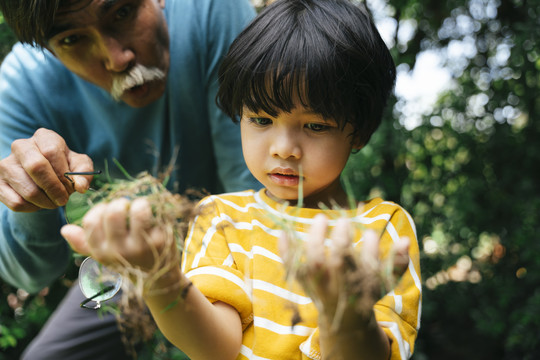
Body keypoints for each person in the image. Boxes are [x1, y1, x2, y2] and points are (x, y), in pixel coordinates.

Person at [62, 0, 422, 359]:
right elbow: (217, 347)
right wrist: (161, 277)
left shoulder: (382, 230)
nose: (284, 149)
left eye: (315, 126)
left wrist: (345, 315)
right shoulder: (220, 217)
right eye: (262, 120)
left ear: (358, 132)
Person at [0, 0, 260, 358]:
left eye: (122, 14)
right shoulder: (23, 86)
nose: (116, 58)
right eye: (73, 40)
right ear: (47, 50)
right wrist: (32, 198)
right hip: (128, 254)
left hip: (233, 238)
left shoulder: (211, 11)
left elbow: (254, 197)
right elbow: (28, 275)